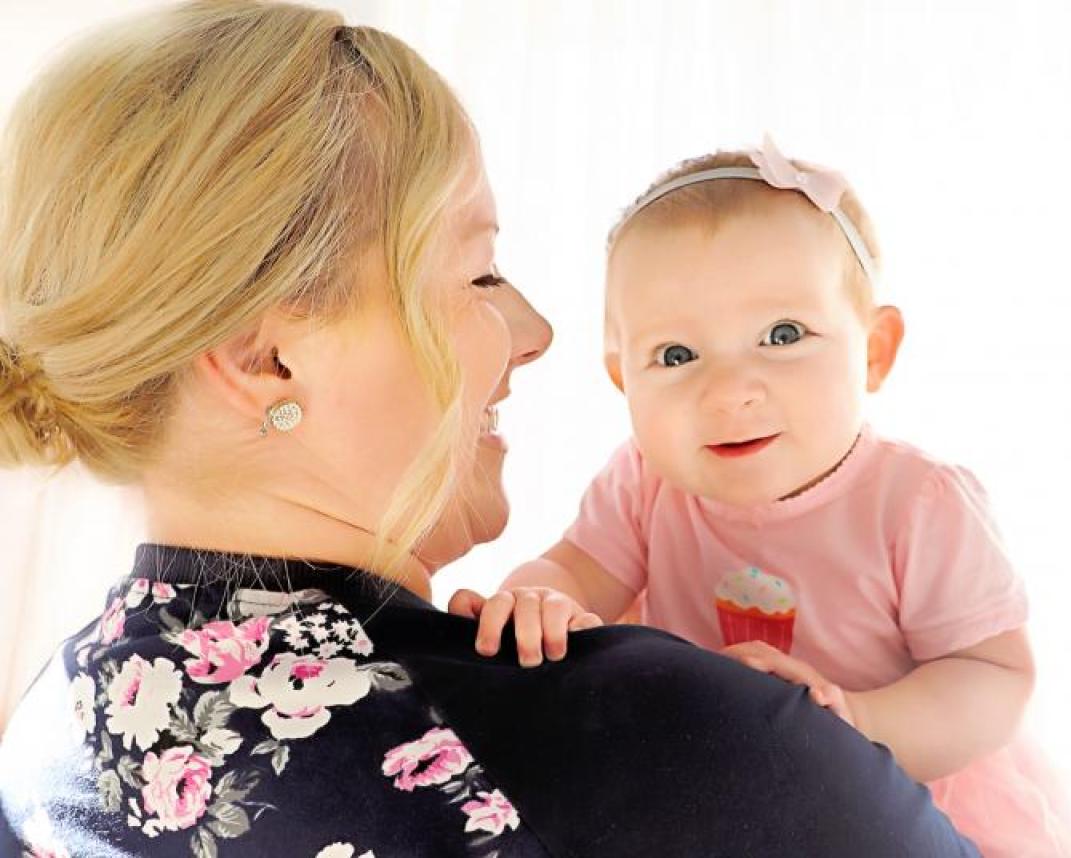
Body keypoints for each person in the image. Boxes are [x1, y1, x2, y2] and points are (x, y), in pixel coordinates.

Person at [0, 2, 979, 856]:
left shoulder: (56, 727)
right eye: (478, 276)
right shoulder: (673, 741)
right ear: (268, 360)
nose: (539, 333)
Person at [459, 141, 1071, 856]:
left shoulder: (917, 503)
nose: (729, 391)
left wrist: (858, 719)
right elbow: (578, 569)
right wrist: (540, 597)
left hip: (894, 788)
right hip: (723, 785)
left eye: (782, 335)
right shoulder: (647, 480)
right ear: (622, 379)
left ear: (874, 351)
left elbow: (992, 675)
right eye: (676, 356)